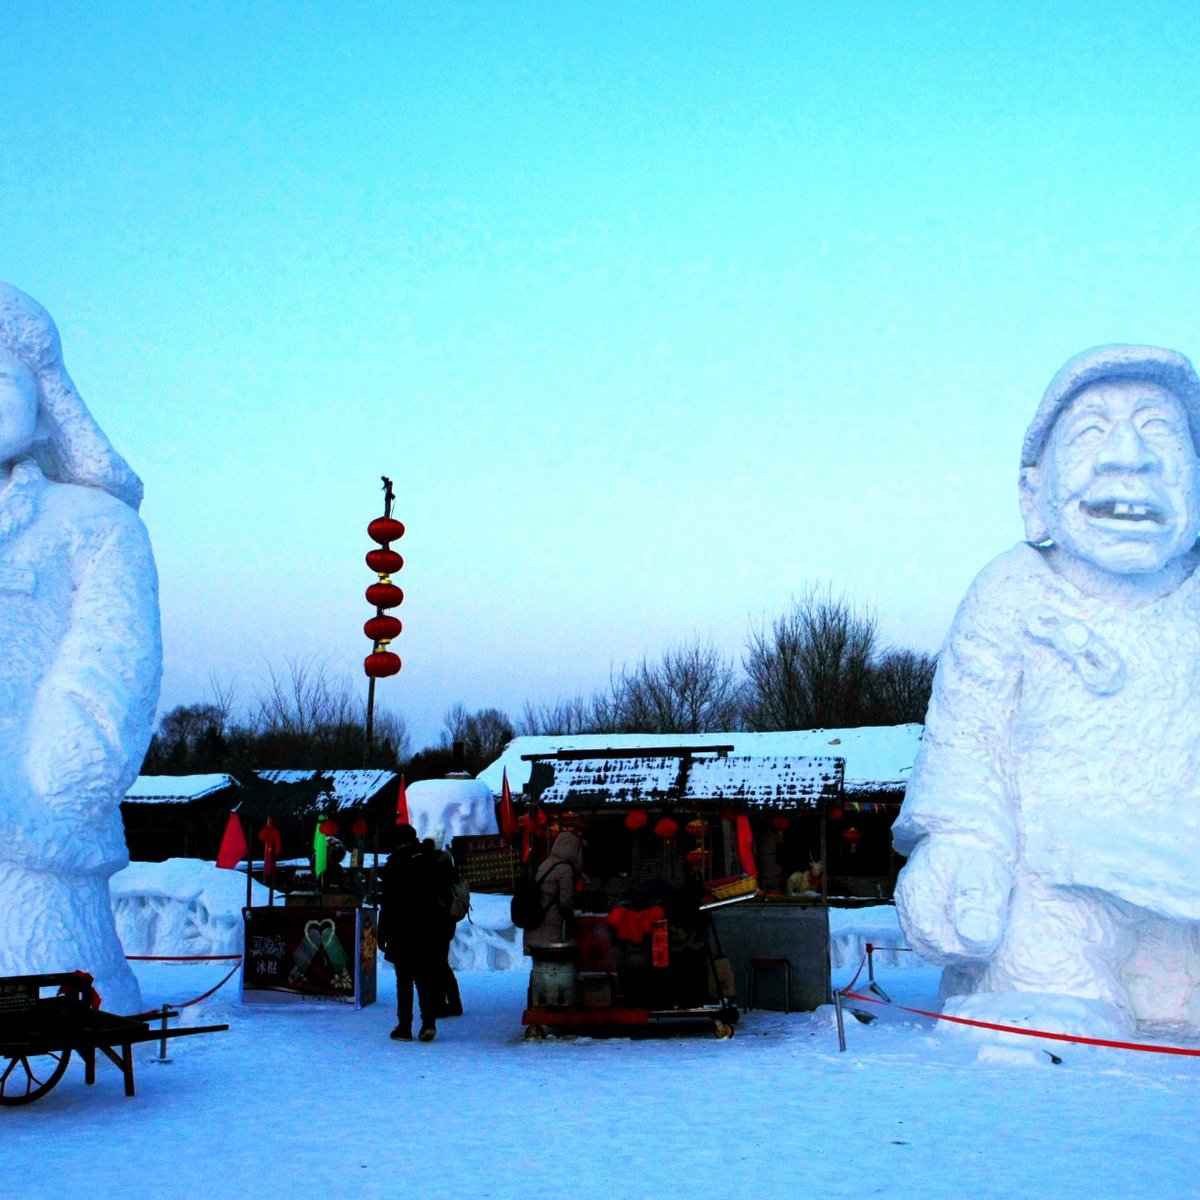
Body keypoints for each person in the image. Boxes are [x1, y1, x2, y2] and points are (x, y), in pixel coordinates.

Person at [893, 344, 1200, 1036]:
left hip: (1187, 880)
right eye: (1091, 430)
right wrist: (963, 844)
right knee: (1052, 1007)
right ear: (1033, 495)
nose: (1130, 456)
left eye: (1158, 428)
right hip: (1052, 882)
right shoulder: (1009, 593)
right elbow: (968, 744)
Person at [0, 282, 160, 1015]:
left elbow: (112, 667)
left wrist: (52, 792)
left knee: (40, 950)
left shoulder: (95, 524)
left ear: (44, 408)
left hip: (43, 825)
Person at [378, 824, 454, 1041]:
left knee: (404, 979)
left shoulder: (395, 863)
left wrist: (382, 933)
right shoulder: (432, 859)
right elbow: (446, 890)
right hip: (430, 927)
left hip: (401, 929)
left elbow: (388, 902)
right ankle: (428, 1023)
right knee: (426, 978)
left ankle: (404, 1026)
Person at [522, 830, 583, 953]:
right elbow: (566, 901)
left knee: (538, 961)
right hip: (550, 921)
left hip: (535, 916)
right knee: (551, 961)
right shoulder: (565, 869)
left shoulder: (545, 863)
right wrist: (571, 920)